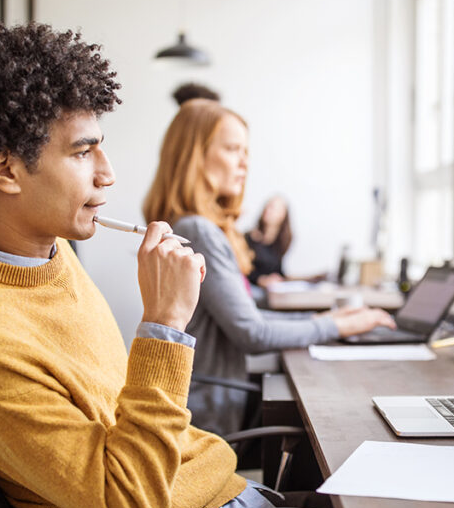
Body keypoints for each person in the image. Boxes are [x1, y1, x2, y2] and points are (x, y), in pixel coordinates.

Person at [0, 23, 454, 508]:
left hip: (219, 506)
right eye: (82, 150)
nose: (107, 173)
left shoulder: (47, 252)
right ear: (6, 170)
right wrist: (164, 325)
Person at [143, 99, 396, 435]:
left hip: (211, 402)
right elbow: (252, 332)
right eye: (233, 149)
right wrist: (335, 327)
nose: (244, 163)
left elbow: (246, 316)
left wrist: (324, 320)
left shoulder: (191, 226)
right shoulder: (198, 230)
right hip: (207, 415)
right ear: (194, 156)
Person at [245, 194, 292, 288]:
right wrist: (261, 280)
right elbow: (243, 270)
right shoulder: (249, 237)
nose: (268, 210)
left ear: (283, 215)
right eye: (267, 206)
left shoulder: (281, 242)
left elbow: (279, 273)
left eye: (273, 208)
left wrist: (311, 278)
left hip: (272, 288)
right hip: (252, 286)